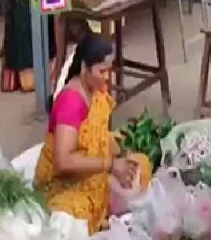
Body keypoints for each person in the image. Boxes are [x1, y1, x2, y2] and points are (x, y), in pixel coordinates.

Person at [33, 33, 151, 234]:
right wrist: (111, 166)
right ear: (84, 67)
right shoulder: (71, 102)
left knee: (142, 167)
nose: (106, 77)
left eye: (109, 70)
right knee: (72, 220)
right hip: (63, 185)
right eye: (101, 71)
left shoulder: (97, 89)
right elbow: (63, 161)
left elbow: (98, 135)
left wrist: (122, 156)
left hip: (93, 172)